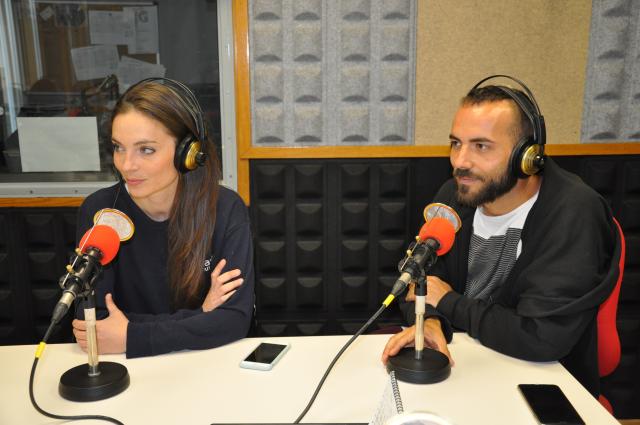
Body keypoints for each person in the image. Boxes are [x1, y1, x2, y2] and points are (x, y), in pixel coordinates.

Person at [382, 75, 620, 397]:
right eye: (456, 143)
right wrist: (432, 321)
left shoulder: (574, 213)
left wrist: (448, 302)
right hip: (464, 371)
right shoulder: (455, 196)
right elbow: (419, 285)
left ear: (527, 157)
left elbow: (540, 336)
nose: (460, 162)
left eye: (481, 146)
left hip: (542, 383)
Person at [72, 78, 255, 358]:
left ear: (187, 153)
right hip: (129, 368)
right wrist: (201, 315)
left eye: (146, 149)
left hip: (206, 363)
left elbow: (234, 319)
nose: (126, 165)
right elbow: (93, 321)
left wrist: (132, 335)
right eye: (119, 147)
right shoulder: (101, 211)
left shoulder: (225, 209)